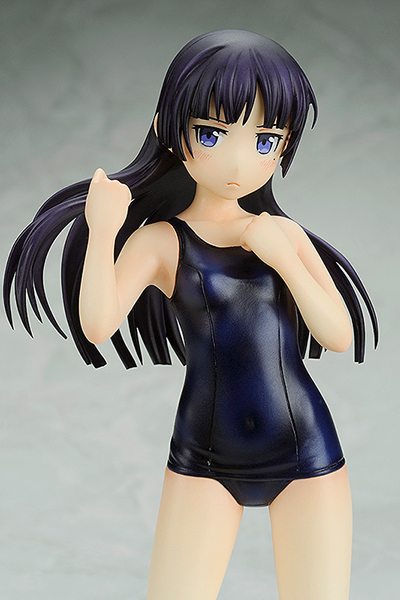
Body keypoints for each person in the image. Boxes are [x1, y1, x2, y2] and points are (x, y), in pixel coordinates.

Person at [4, 30, 378, 600]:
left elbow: (338, 334)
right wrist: (102, 230)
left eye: (265, 140)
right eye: (212, 134)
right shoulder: (162, 241)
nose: (238, 161)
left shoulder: (281, 233)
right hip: (204, 452)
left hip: (306, 448)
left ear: (284, 146)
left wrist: (286, 259)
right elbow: (97, 325)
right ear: (169, 130)